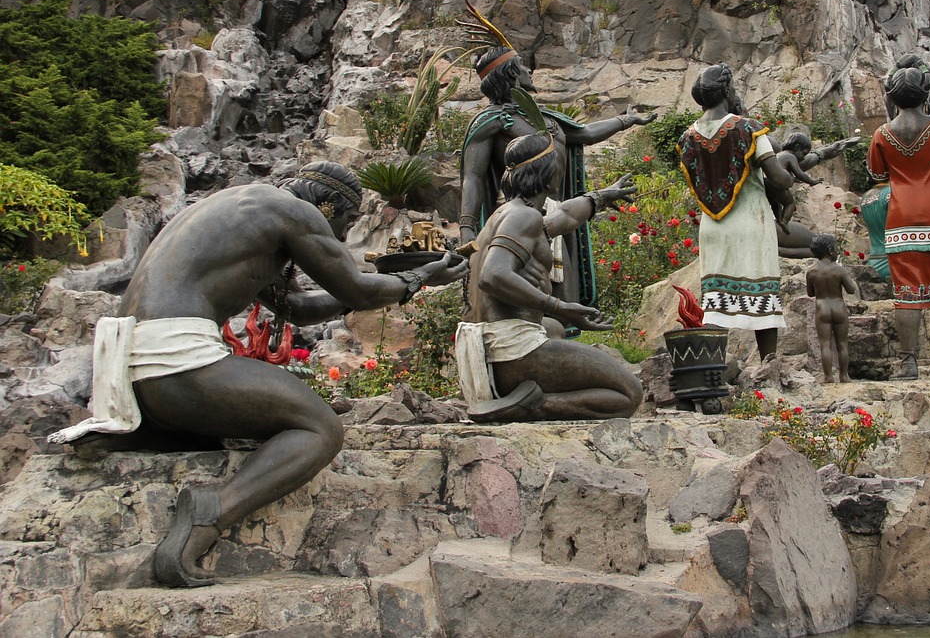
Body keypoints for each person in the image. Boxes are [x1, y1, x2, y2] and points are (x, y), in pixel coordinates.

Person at [48, 162, 469, 588]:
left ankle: (151, 433)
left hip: (131, 372)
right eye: (344, 221)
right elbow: (356, 288)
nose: (342, 235)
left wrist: (374, 290)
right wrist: (418, 277)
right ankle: (210, 512)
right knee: (320, 429)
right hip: (176, 362)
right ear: (327, 204)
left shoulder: (238, 212)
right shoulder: (293, 212)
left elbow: (303, 308)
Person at [457, 133, 643, 422]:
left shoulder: (507, 216)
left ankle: (520, 394)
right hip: (514, 354)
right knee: (629, 394)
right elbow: (493, 275)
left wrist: (600, 197)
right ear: (548, 171)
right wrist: (561, 306)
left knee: (554, 328)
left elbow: (565, 217)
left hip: (492, 350)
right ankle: (533, 404)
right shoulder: (523, 218)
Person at [458, 45, 653, 311]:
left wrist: (626, 120)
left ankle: (559, 335)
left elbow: (584, 133)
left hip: (556, 212)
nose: (529, 69)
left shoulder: (545, 118)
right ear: (512, 74)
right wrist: (466, 230)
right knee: (522, 285)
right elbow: (473, 176)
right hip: (516, 216)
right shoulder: (491, 121)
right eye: (522, 64)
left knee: (562, 285)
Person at [678, 64, 793, 361]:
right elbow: (778, 178)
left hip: (713, 228)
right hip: (750, 221)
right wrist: (793, 175)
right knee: (763, 296)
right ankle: (769, 365)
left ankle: (713, 366)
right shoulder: (748, 128)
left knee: (716, 299)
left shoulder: (688, 136)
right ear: (728, 90)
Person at [867, 67, 930, 378]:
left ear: (893, 97)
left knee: (906, 289)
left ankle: (909, 361)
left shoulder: (882, 134)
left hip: (901, 215)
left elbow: (877, 174)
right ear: (925, 95)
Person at [765, 126, 859, 233]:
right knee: (789, 203)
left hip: (767, 182)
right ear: (796, 148)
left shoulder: (778, 154)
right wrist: (812, 181)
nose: (804, 157)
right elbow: (799, 173)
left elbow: (783, 172)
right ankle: (784, 221)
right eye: (804, 153)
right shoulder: (791, 157)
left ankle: (778, 219)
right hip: (777, 184)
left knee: (775, 202)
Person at [806, 233, 857, 383]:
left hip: (822, 308)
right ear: (830, 250)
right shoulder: (839, 270)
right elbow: (851, 290)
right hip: (839, 307)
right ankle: (844, 375)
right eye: (835, 248)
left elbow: (810, 293)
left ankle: (828, 376)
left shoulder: (811, 271)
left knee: (825, 344)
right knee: (842, 343)